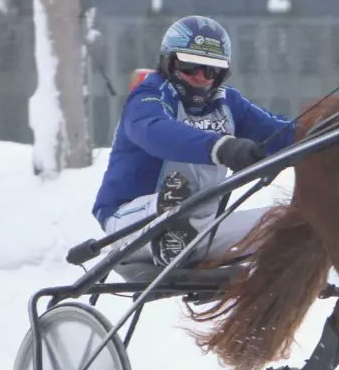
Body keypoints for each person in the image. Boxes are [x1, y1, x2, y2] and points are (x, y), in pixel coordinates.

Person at [92, 15, 296, 267]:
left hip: (203, 227)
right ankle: (171, 233)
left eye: (211, 70)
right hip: (129, 223)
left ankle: (182, 239)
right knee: (176, 194)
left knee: (297, 223)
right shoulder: (148, 95)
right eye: (190, 67)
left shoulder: (228, 102)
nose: (200, 77)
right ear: (169, 62)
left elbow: (283, 134)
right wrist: (221, 147)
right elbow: (155, 132)